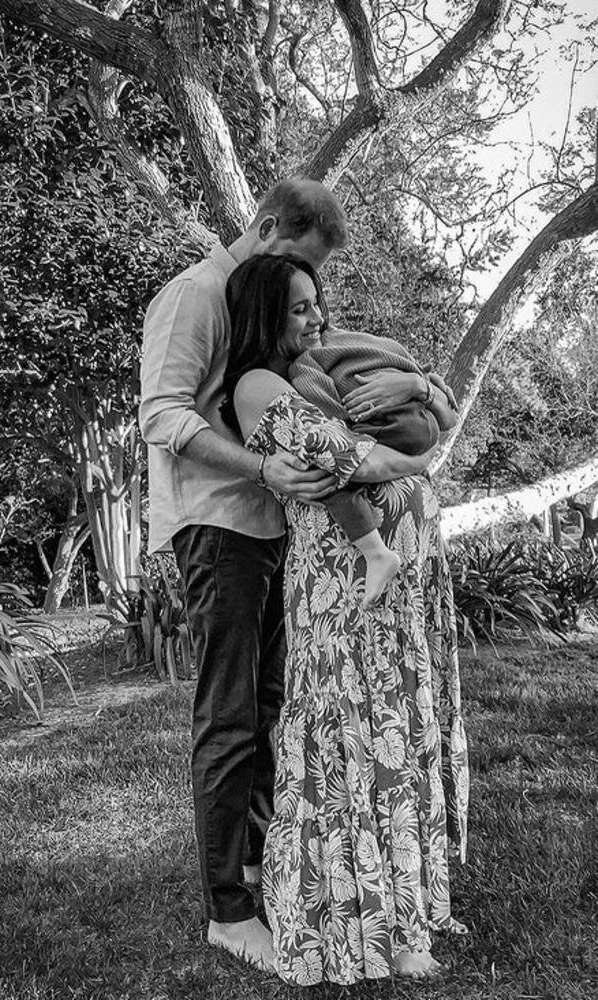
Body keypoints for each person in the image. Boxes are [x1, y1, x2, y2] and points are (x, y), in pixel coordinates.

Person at [222, 253, 469, 985]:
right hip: (342, 587)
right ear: (266, 315)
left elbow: (435, 418)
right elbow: (345, 454)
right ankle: (360, 919)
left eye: (317, 304)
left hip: (398, 580)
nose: (317, 318)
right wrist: (414, 459)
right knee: (354, 736)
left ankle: (406, 914)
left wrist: (418, 407)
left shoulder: (326, 375)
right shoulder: (258, 384)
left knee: (399, 727)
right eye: (299, 308)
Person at [139, 179, 354, 973]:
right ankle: (227, 912)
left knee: (268, 708)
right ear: (265, 228)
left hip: (268, 527)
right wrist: (262, 469)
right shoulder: (196, 294)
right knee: (229, 716)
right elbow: (163, 414)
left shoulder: (255, 298)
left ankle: (260, 870)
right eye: (296, 261)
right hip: (217, 527)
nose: (301, 290)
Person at [288, 327, 454, 607]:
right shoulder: (375, 343)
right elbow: (448, 418)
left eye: (312, 306)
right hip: (422, 423)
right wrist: (424, 386)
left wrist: (419, 386)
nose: (313, 318)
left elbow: (331, 429)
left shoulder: (306, 361)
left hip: (394, 426)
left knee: (327, 468)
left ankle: (375, 551)